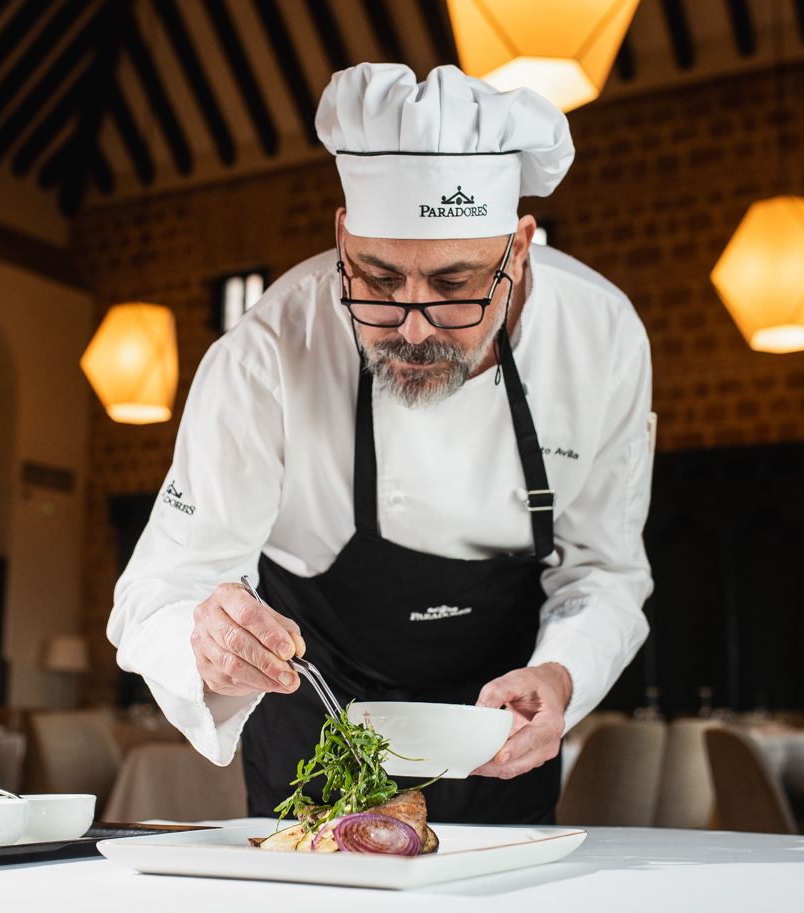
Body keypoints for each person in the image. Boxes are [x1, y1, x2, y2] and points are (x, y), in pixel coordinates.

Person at [108, 63, 654, 824]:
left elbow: (605, 570)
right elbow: (154, 594)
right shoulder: (268, 351)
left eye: (456, 285)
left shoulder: (601, 338)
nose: (414, 325)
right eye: (377, 279)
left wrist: (561, 673)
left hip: (500, 737)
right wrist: (206, 644)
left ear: (519, 249)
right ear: (342, 235)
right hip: (316, 723)